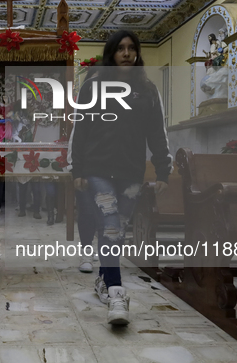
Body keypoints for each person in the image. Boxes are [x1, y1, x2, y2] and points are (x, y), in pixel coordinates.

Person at [70, 30, 172, 326]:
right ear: (111, 54)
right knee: (111, 224)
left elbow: (156, 132)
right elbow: (81, 130)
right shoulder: (93, 86)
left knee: (116, 228)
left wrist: (162, 170)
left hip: (130, 171)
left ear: (137, 54)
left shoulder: (148, 90)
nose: (127, 53)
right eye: (120, 49)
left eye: (132, 48)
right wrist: (77, 170)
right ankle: (117, 293)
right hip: (98, 168)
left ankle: (104, 278)